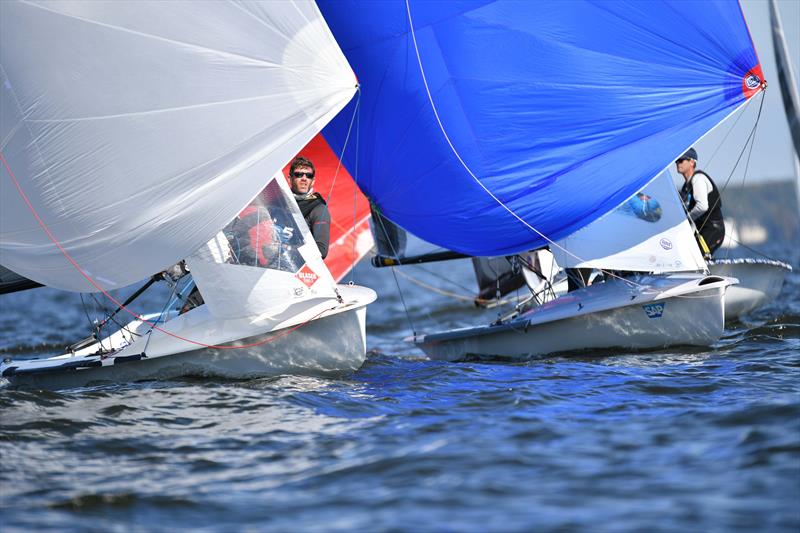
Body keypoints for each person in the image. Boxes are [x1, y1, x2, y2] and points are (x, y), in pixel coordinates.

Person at [675, 147, 725, 257]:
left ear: (692, 162)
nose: (678, 163)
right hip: (701, 231)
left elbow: (702, 206)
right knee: (685, 256)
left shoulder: (698, 179)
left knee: (697, 258)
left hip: (713, 230)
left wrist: (686, 219)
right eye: (677, 160)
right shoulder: (685, 187)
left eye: (681, 160)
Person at [288, 156, 330, 259]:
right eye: (298, 175)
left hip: (299, 270)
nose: (304, 179)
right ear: (290, 179)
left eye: (309, 176)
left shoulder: (318, 209)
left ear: (313, 181)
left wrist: (287, 249)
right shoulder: (280, 202)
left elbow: (321, 250)